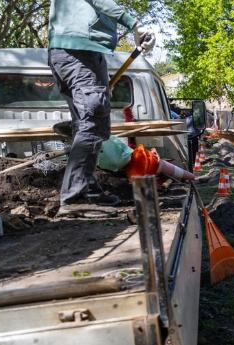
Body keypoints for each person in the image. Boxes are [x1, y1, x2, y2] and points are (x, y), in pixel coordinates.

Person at [48, 0, 155, 217]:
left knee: (85, 125)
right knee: (93, 124)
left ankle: (87, 189)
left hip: (70, 51)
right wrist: (134, 24)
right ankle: (74, 198)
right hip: (80, 52)